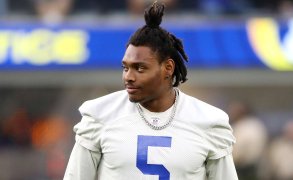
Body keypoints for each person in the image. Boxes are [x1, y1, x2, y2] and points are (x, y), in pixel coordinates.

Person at [63, 1, 238, 180]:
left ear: (168, 68)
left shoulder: (209, 122)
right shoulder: (99, 115)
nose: (128, 77)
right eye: (125, 68)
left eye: (140, 68)